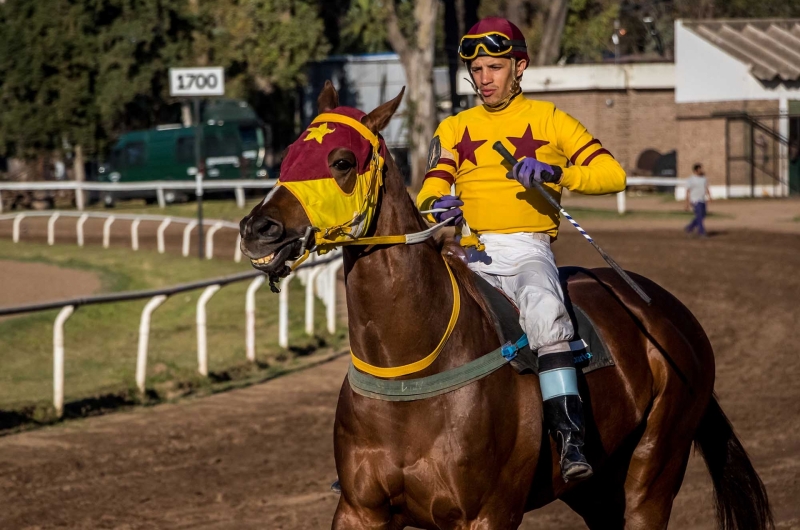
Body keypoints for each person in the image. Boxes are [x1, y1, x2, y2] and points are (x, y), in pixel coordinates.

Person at [416, 16, 626, 482]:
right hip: (468, 254)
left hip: (528, 249)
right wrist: (437, 205)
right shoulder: (453, 127)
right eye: (477, 69)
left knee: (546, 311)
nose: (483, 78)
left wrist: (557, 174)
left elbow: (613, 174)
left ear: (520, 66)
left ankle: (570, 439)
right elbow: (429, 190)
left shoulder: (551, 119)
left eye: (494, 67)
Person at [685, 163, 710, 236]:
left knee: (703, 215)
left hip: (702, 199)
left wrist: (709, 196)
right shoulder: (691, 179)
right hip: (695, 200)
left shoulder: (704, 179)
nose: (701, 170)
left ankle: (690, 227)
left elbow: (706, 188)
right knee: (699, 215)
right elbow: (688, 191)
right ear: (696, 170)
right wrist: (687, 203)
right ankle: (701, 231)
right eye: (700, 169)